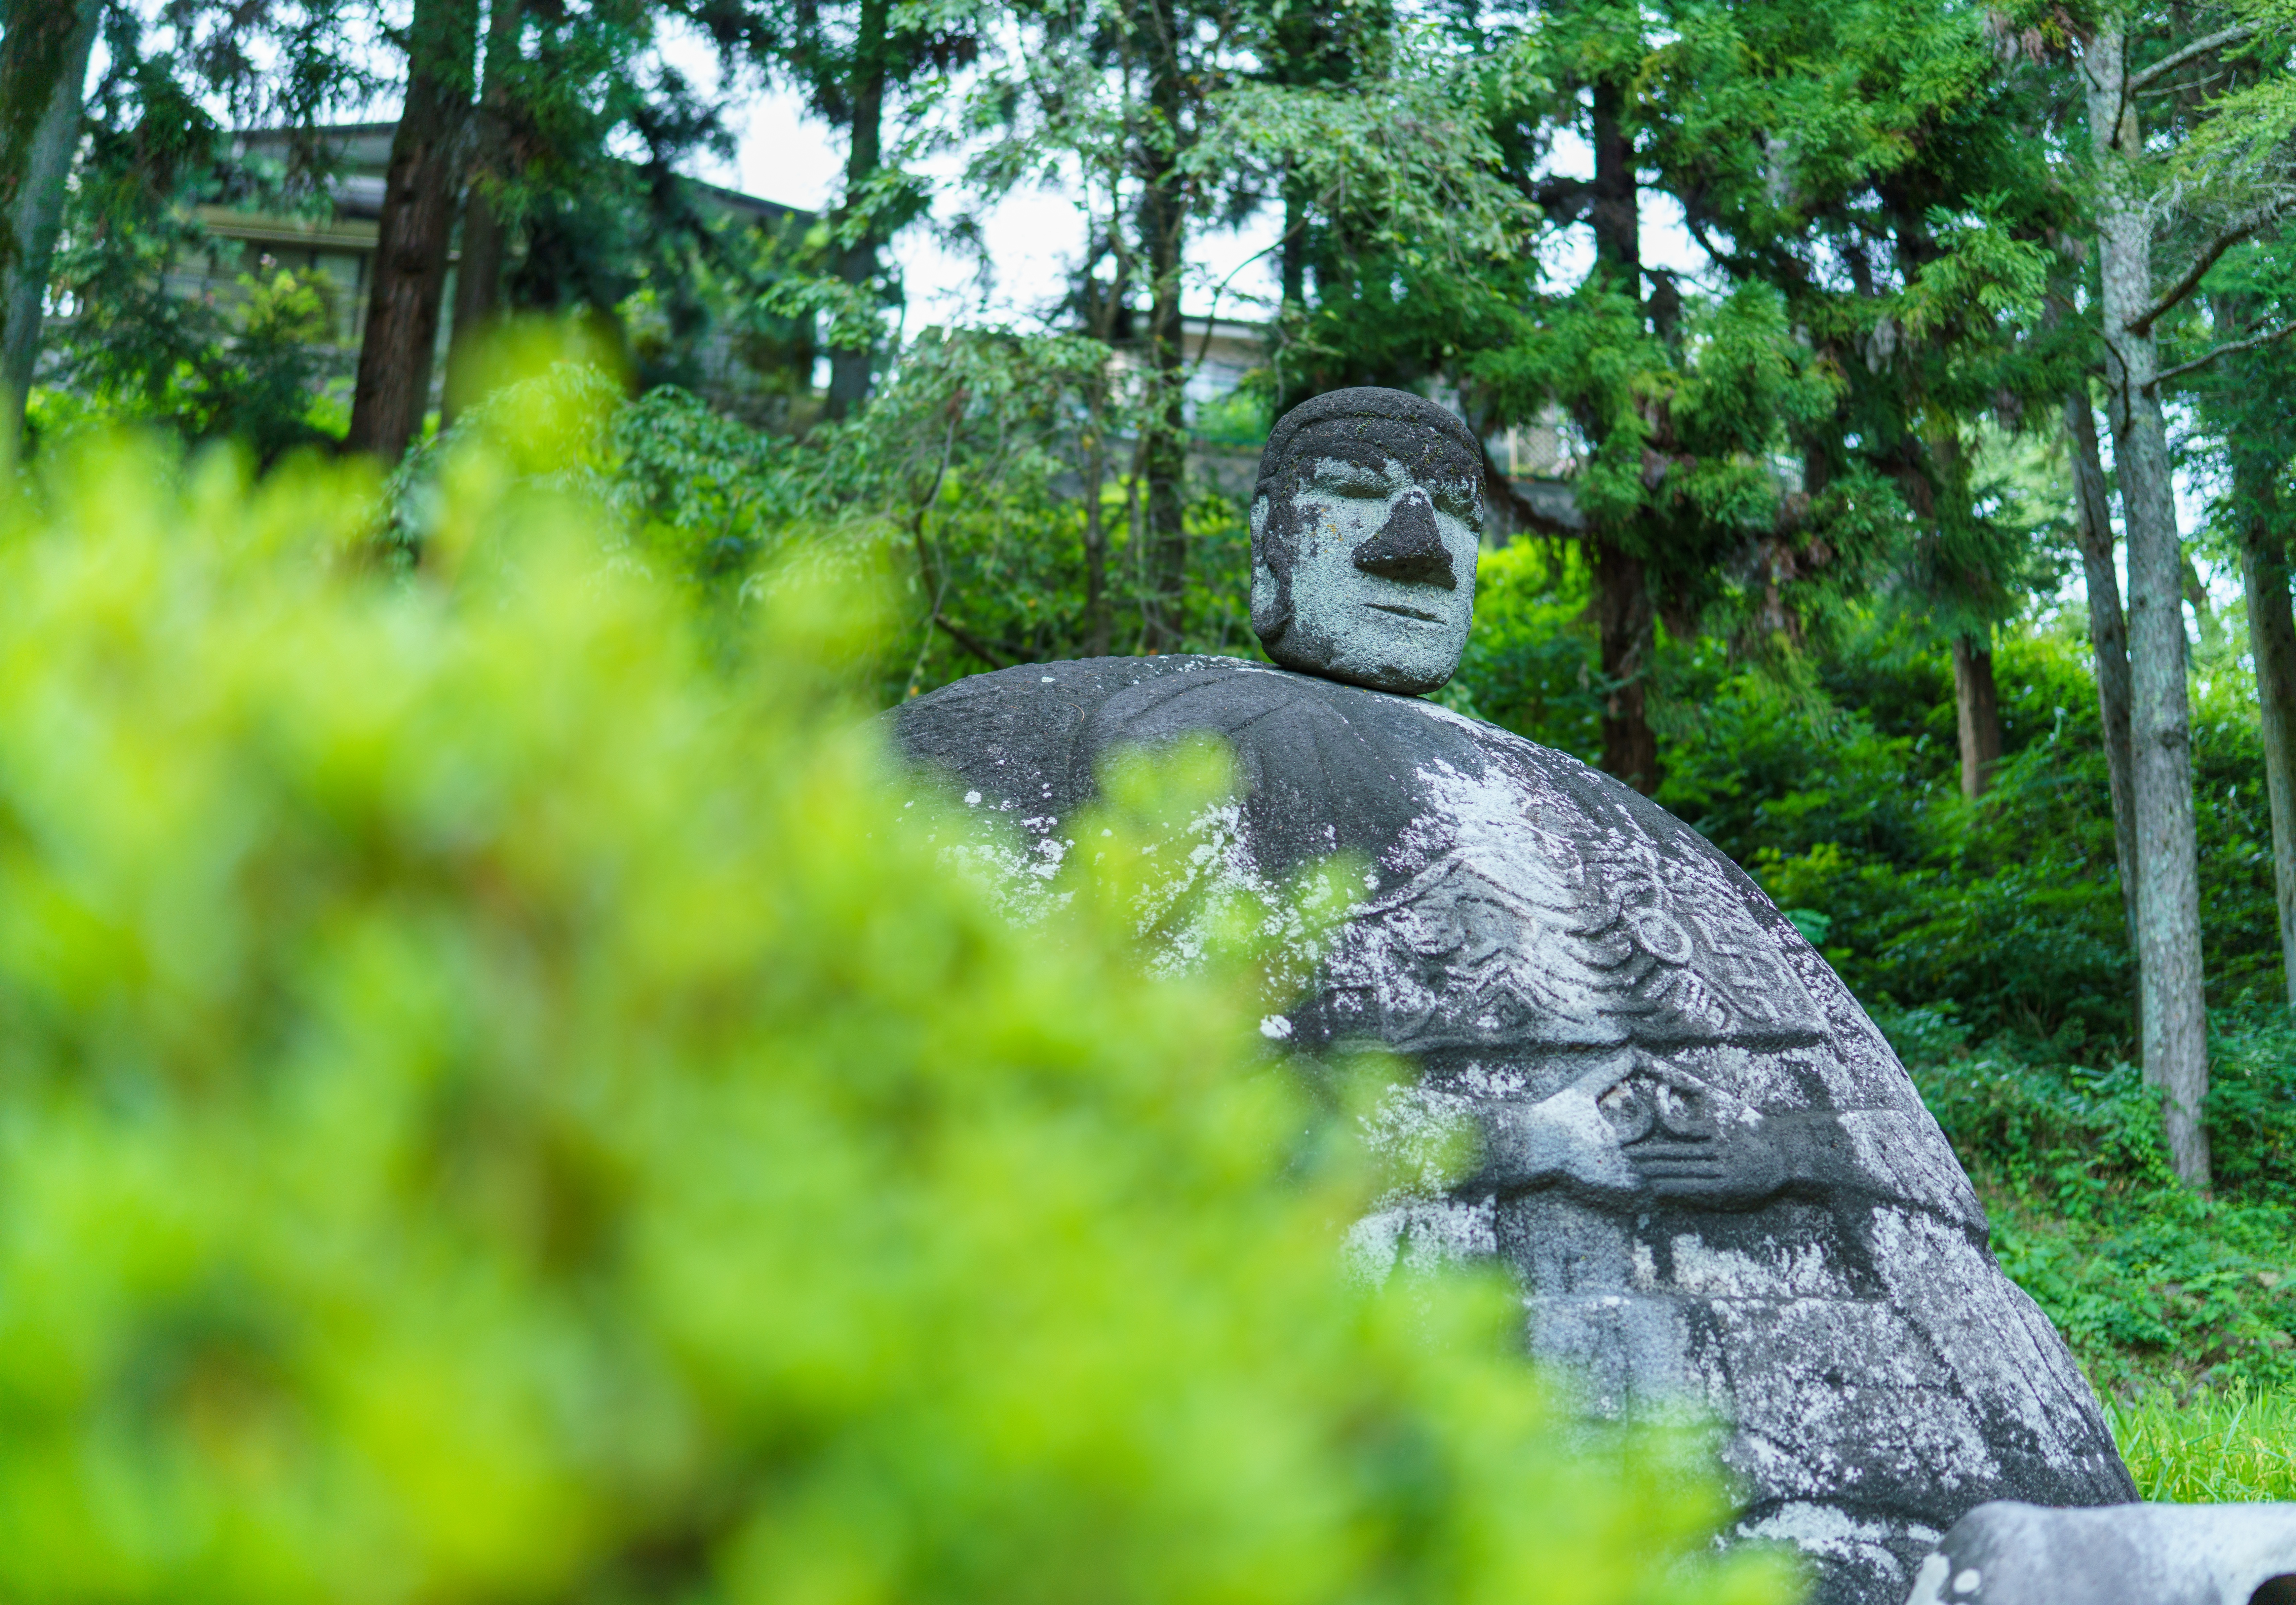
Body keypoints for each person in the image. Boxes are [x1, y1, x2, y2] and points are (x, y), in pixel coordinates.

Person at [893, 387, 2135, 1605]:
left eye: (1447, 507)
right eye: (1348, 500)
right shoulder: (1141, 739)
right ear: (1267, 543)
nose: (1408, 546)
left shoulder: (1627, 833)